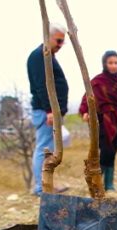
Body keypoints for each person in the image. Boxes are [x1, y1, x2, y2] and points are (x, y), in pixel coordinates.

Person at [79, 50, 117, 192]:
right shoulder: (97, 81)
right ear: (105, 64)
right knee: (105, 150)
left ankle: (108, 183)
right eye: (110, 63)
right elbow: (87, 97)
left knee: (113, 150)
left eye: (116, 63)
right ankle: (98, 182)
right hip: (101, 121)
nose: (113, 65)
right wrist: (85, 111)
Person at [27, 22, 69, 196]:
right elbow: (41, 86)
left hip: (51, 111)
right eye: (58, 41)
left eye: (62, 42)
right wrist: (49, 110)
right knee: (43, 148)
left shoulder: (48, 55)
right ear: (48, 37)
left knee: (49, 149)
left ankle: (47, 185)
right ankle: (41, 188)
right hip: (46, 112)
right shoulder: (39, 56)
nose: (60, 46)